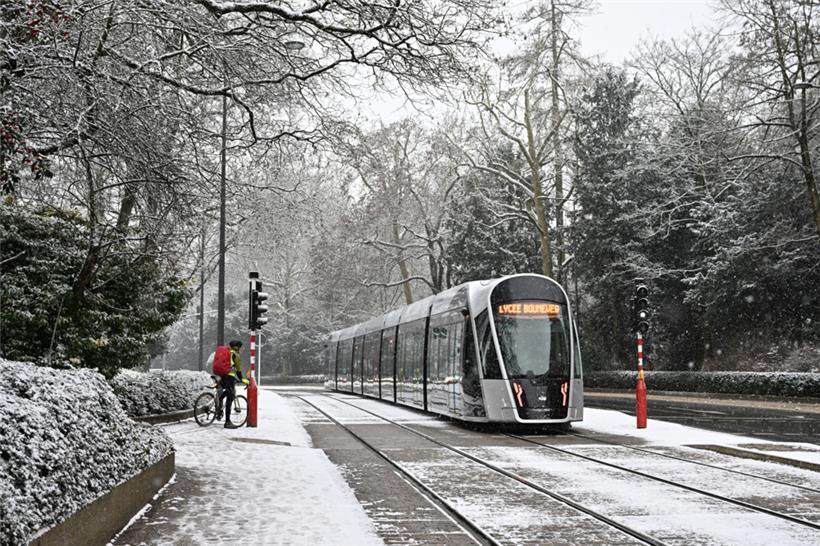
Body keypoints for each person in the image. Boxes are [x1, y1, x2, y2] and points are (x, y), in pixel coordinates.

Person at [220, 340, 247, 429]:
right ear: (237, 347)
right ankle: (227, 422)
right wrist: (243, 380)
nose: (241, 349)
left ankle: (219, 409)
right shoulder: (236, 355)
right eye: (241, 347)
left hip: (222, 376)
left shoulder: (227, 353)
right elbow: (238, 371)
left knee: (226, 393)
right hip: (229, 378)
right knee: (230, 398)